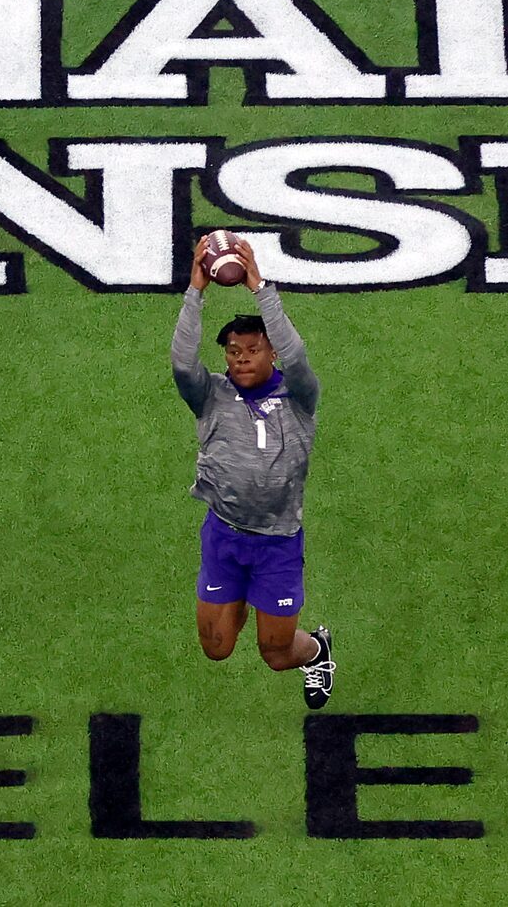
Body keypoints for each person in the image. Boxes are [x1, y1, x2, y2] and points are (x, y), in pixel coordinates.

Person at [171, 232, 334, 707]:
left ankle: (318, 648)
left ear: (271, 353)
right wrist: (195, 290)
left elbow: (300, 356)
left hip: (278, 542)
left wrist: (260, 287)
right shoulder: (211, 395)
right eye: (233, 351)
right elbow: (183, 361)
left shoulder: (299, 397)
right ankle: (238, 599)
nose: (241, 358)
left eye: (252, 349)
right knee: (217, 649)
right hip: (224, 535)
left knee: (277, 653)